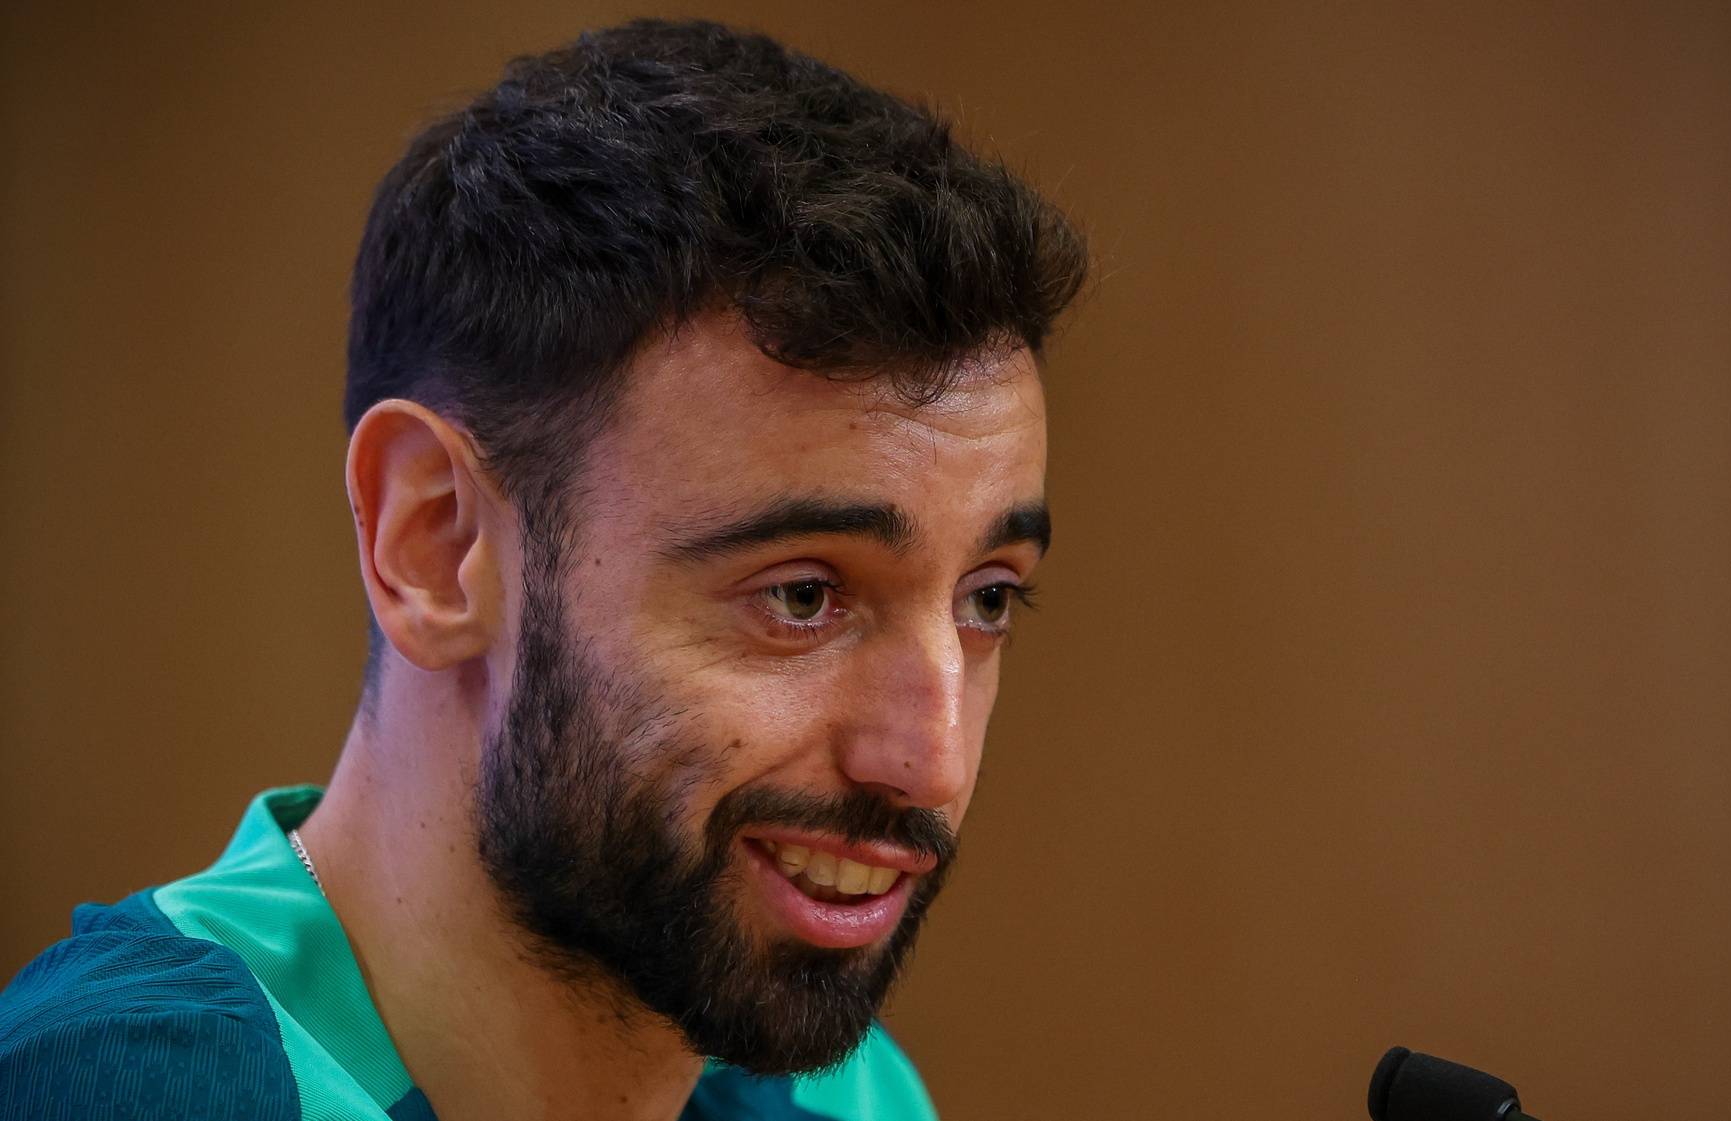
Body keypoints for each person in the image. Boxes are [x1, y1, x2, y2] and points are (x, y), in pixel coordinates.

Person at [0, 18, 1086, 1121]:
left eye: (985, 598)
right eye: (801, 595)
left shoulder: (847, 1095)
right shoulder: (131, 1086)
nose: (929, 761)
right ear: (434, 543)